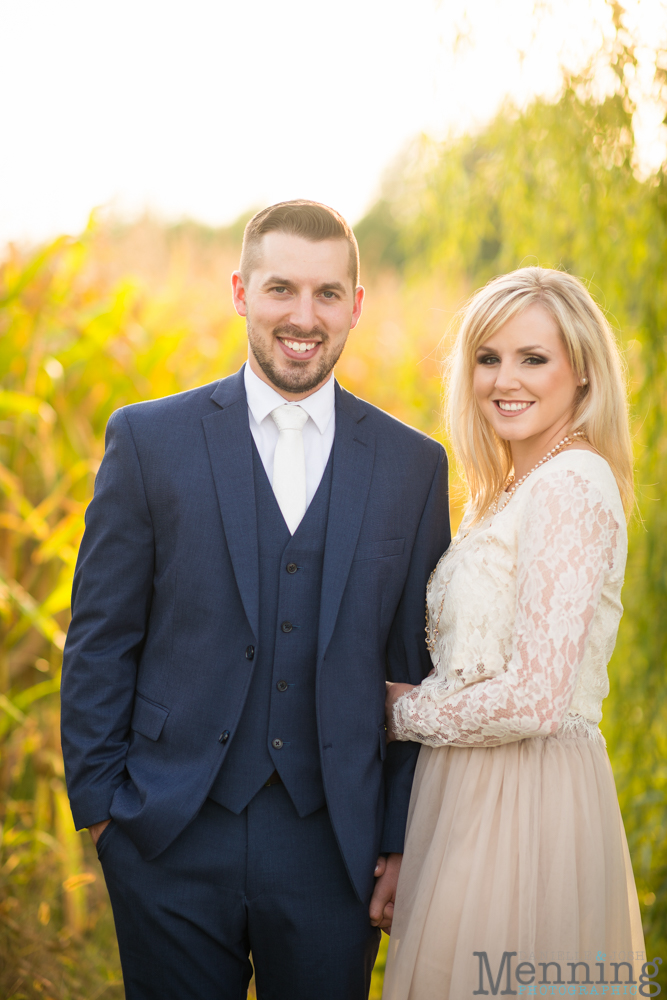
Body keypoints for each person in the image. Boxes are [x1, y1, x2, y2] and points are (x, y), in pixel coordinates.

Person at [60, 200, 450, 1000]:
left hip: (333, 849)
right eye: (281, 289)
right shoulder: (148, 441)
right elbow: (100, 637)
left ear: (355, 305)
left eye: (327, 294)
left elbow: (417, 673)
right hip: (167, 836)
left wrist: (401, 839)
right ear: (240, 291)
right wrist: (104, 816)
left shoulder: (413, 468)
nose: (303, 317)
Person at [383, 267, 645, 999]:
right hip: (467, 789)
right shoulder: (505, 492)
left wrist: (395, 712)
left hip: (524, 798)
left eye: (533, 358)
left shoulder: (569, 485)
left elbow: (534, 698)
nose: (505, 379)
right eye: (487, 357)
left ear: (582, 371)